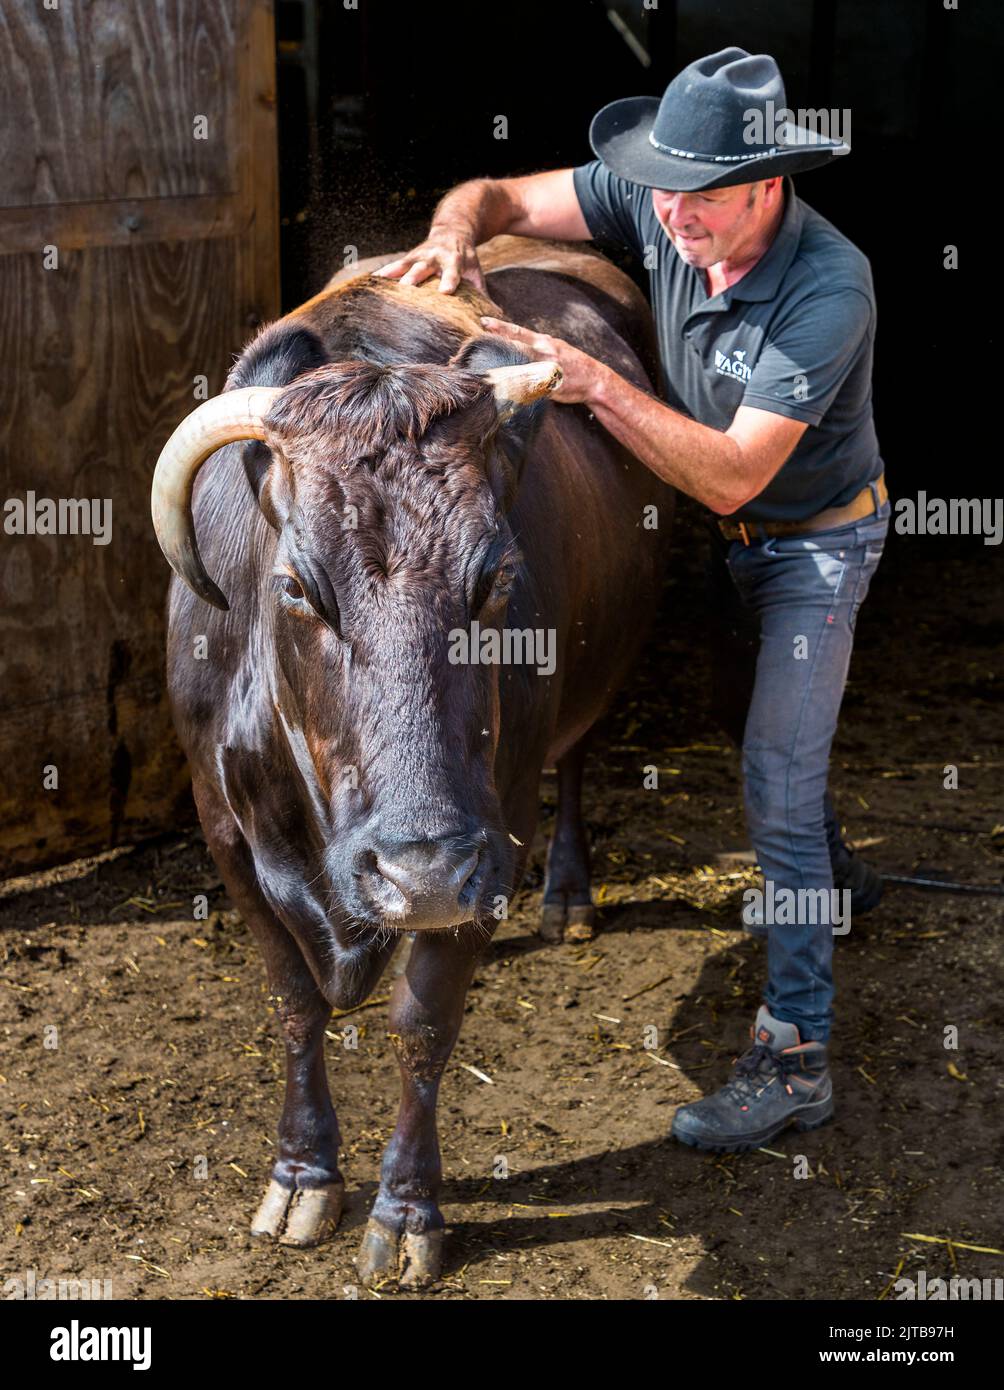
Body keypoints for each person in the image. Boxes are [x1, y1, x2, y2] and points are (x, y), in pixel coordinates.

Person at [376, 47, 889, 1151]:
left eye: (700, 197)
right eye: (661, 190)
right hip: (723, 536)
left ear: (768, 183)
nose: (672, 215)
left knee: (772, 782)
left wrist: (592, 379)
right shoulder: (662, 193)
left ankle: (794, 1053)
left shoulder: (828, 284)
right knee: (751, 719)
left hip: (811, 544)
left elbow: (730, 473)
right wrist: (456, 234)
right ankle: (832, 873)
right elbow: (501, 194)